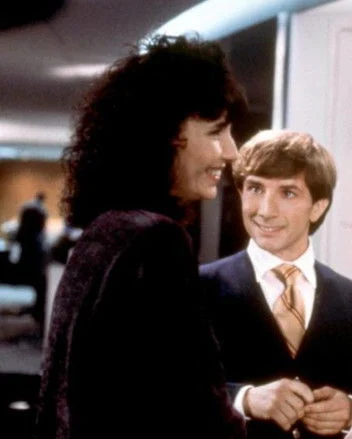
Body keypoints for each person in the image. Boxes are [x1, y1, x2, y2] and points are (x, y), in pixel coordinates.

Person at [36, 35, 247, 439]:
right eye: (216, 132)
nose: (231, 151)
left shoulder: (106, 230)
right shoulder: (158, 241)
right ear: (166, 135)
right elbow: (192, 410)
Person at [200, 129, 352, 439]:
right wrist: (244, 400)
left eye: (288, 193)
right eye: (255, 188)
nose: (265, 210)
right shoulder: (196, 288)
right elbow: (160, 390)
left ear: (318, 207)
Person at [12, 191, 49, 326]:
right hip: (32, 265)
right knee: (41, 282)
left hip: (25, 262)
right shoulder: (41, 212)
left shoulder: (22, 231)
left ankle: (35, 310)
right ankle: (37, 311)